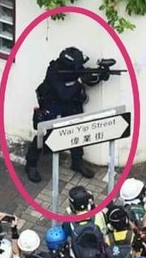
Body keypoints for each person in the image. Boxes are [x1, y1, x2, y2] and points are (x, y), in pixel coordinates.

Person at [24, 47, 97, 182]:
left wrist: (98, 76)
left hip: (70, 104)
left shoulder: (74, 68)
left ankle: (77, 162)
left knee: (76, 131)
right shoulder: (54, 70)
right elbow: (63, 93)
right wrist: (80, 81)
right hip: (52, 103)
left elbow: (86, 77)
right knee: (44, 134)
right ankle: (31, 164)